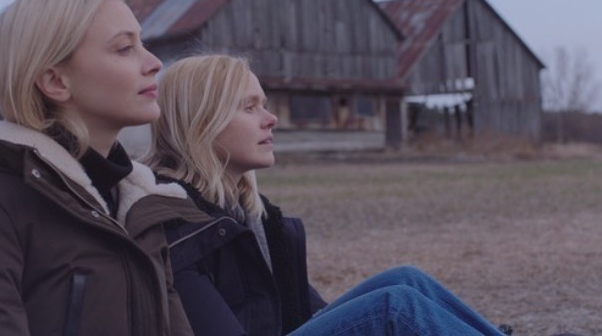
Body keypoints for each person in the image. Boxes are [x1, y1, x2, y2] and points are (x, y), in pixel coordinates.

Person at [142, 54, 510, 335]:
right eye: (249, 107)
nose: (270, 118)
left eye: (264, 104)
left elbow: (309, 312)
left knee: (406, 279)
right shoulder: (176, 223)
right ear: (201, 122)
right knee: (394, 307)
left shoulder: (252, 216)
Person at [0, 0, 194, 336]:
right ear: (56, 81)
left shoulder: (136, 207)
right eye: (124, 49)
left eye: (143, 44)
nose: (153, 63)